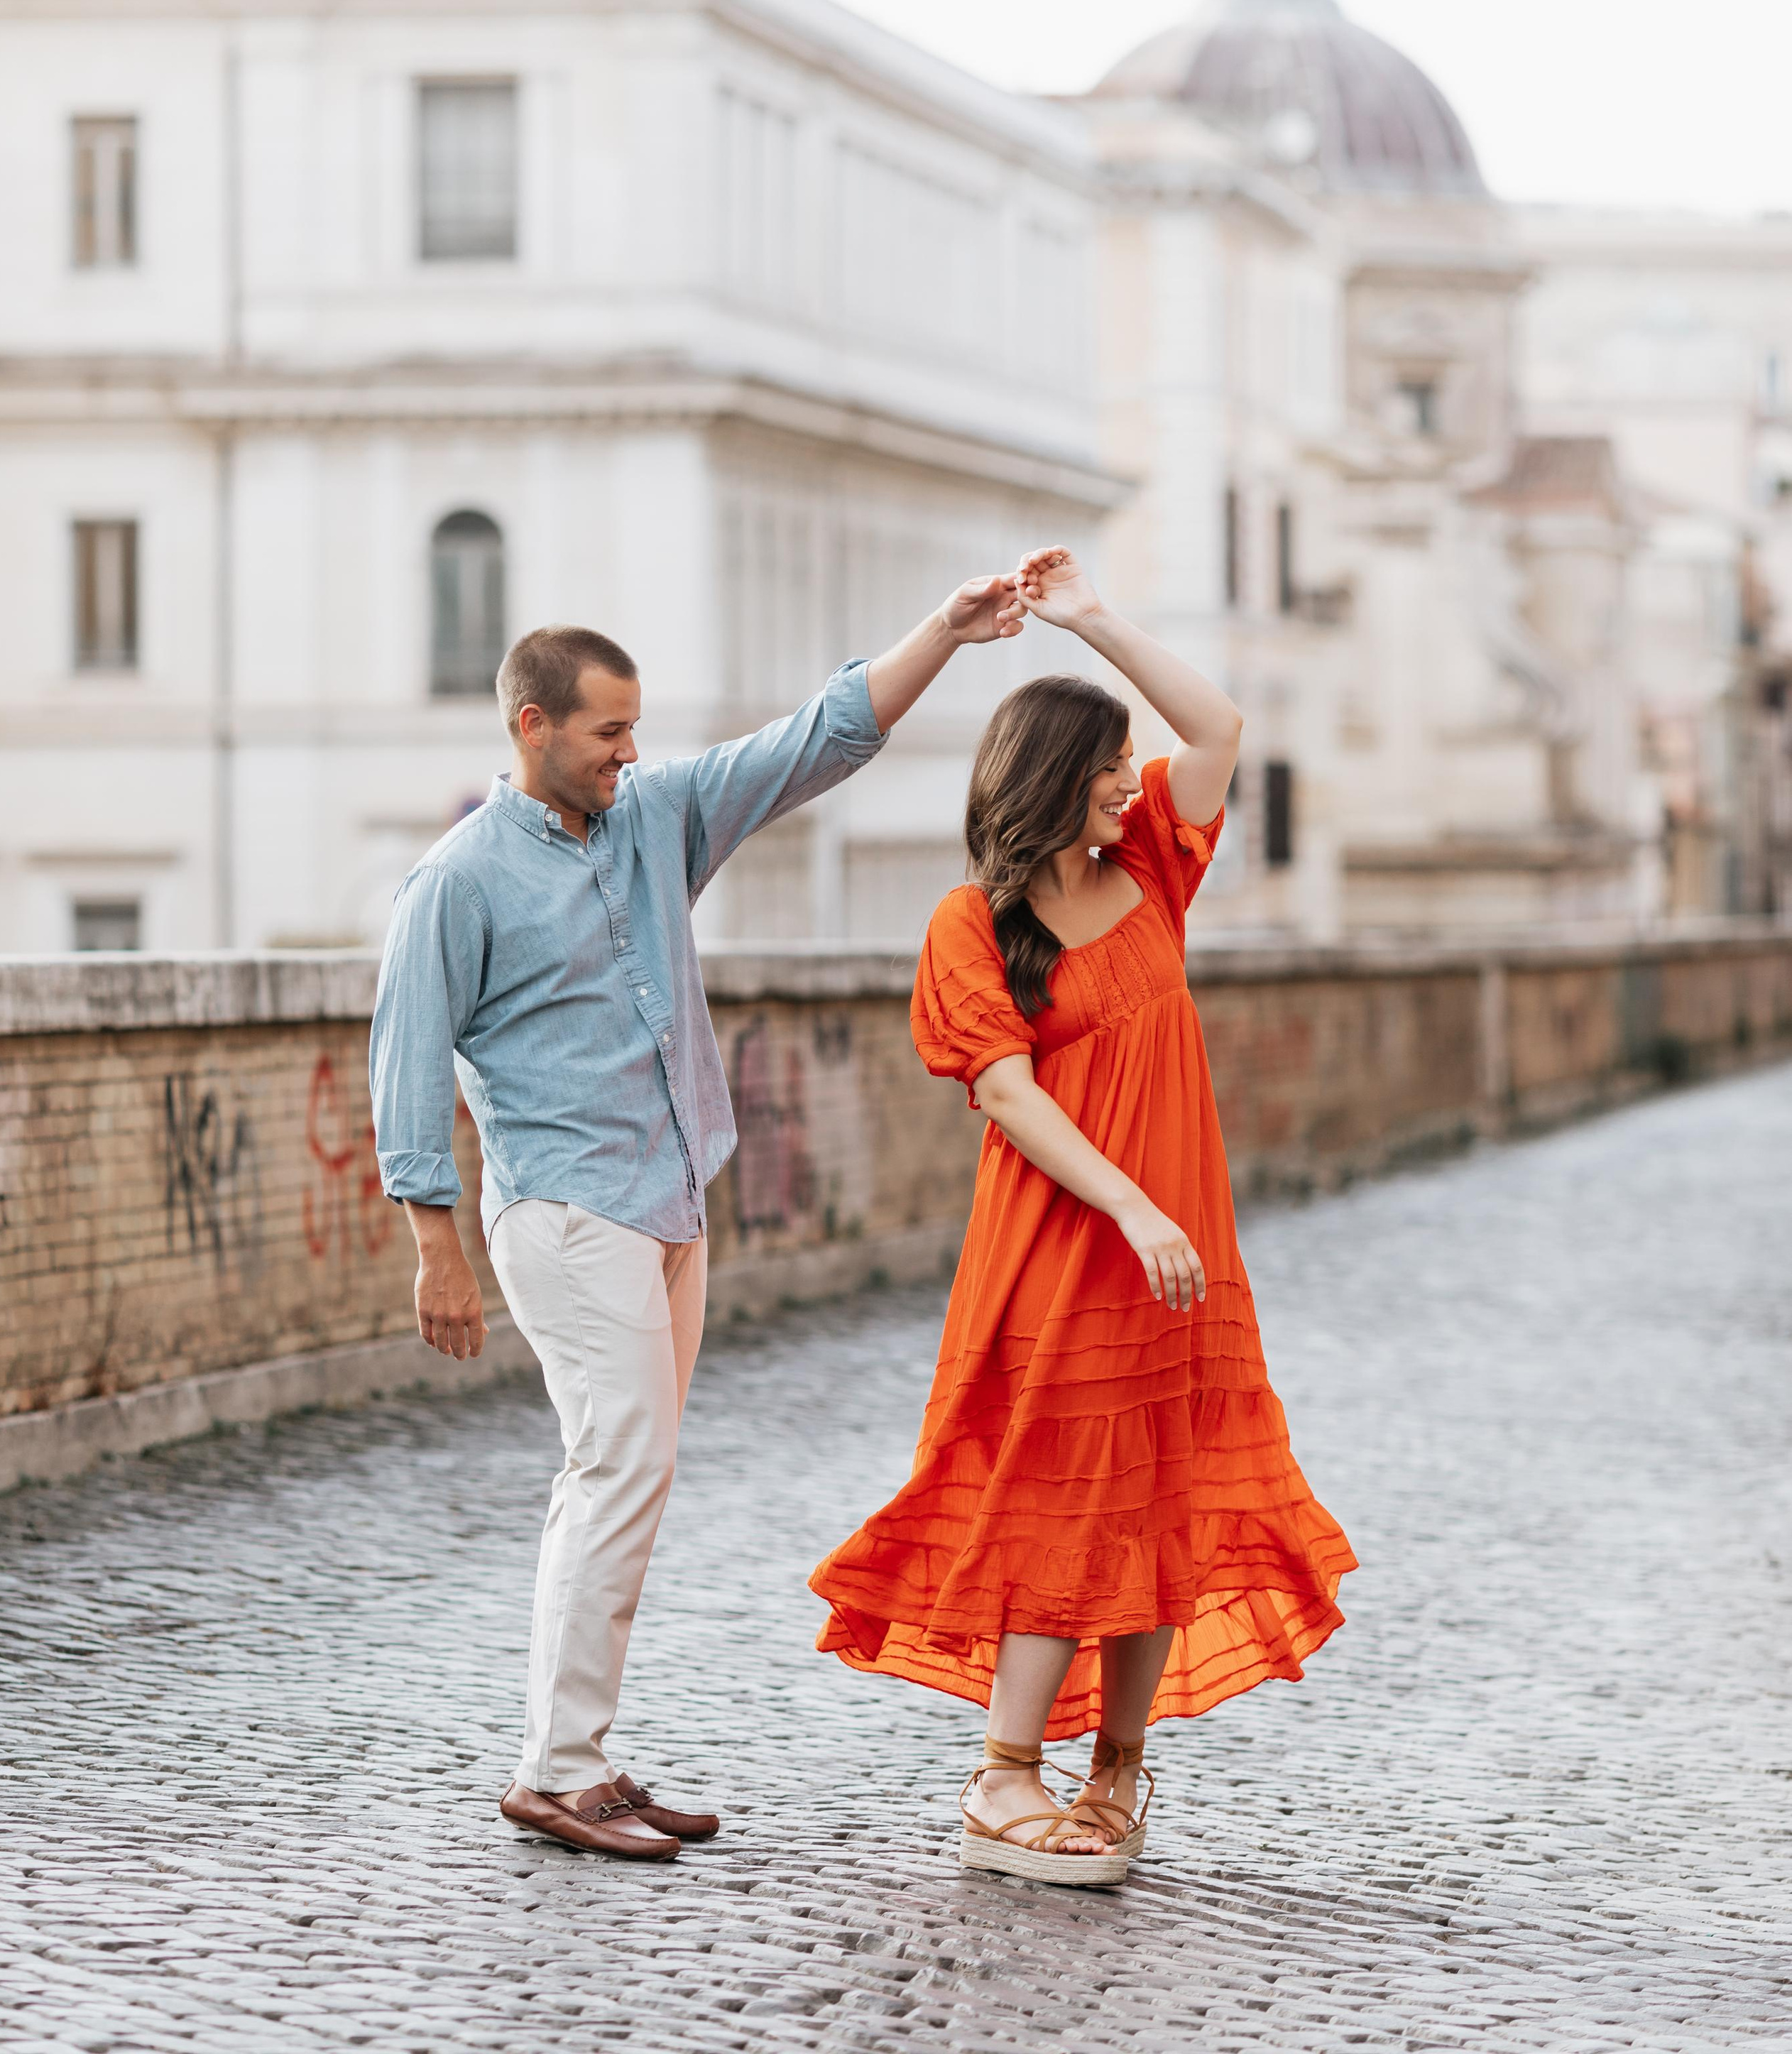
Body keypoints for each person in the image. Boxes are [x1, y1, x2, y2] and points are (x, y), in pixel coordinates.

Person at [370, 576, 1028, 1860]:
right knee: (613, 1466)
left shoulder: (656, 819)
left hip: (673, 1198)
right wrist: (433, 1248)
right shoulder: (457, 882)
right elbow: (407, 1057)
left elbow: (816, 740)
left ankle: (587, 1758)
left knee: (636, 1476)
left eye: (635, 730)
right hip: (565, 1211)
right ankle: (556, 1770)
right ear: (530, 726)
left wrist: (943, 633)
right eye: (607, 732)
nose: (631, 752)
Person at [809, 546, 1357, 1888]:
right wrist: (1134, 1208)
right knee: (1056, 1488)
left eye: (1128, 760)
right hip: (1072, 1246)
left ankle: (1116, 1772)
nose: (1131, 775)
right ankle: (1002, 1779)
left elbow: (1221, 725)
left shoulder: (1158, 865)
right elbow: (1005, 1094)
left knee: (1161, 1488)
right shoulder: (972, 926)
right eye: (1108, 761)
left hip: (1177, 1250)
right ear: (1056, 778)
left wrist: (1093, 620)